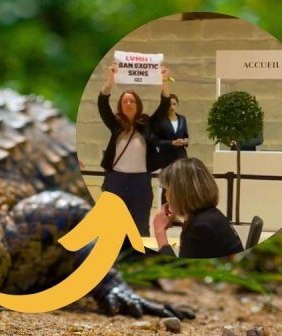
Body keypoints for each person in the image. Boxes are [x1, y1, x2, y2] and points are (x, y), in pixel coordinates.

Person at [98, 62, 171, 236]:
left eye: (132, 101)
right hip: (116, 179)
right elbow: (102, 103)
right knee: (113, 226)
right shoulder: (115, 124)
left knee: (140, 226)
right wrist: (110, 81)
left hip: (140, 181)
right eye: (125, 101)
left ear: (138, 104)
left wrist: (165, 81)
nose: (128, 104)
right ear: (120, 105)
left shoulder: (147, 124)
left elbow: (163, 107)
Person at [152, 158, 244, 258]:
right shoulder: (211, 216)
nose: (166, 195)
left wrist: (160, 234)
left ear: (180, 193)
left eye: (167, 190)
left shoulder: (200, 228)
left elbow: (181, 271)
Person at [151, 93, 189, 204]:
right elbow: (156, 141)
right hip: (166, 158)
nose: (171, 106)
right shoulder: (160, 120)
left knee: (181, 185)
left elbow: (185, 134)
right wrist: (171, 142)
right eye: (169, 104)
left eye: (174, 104)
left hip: (181, 156)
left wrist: (186, 141)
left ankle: (180, 210)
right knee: (167, 185)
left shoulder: (182, 119)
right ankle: (166, 210)